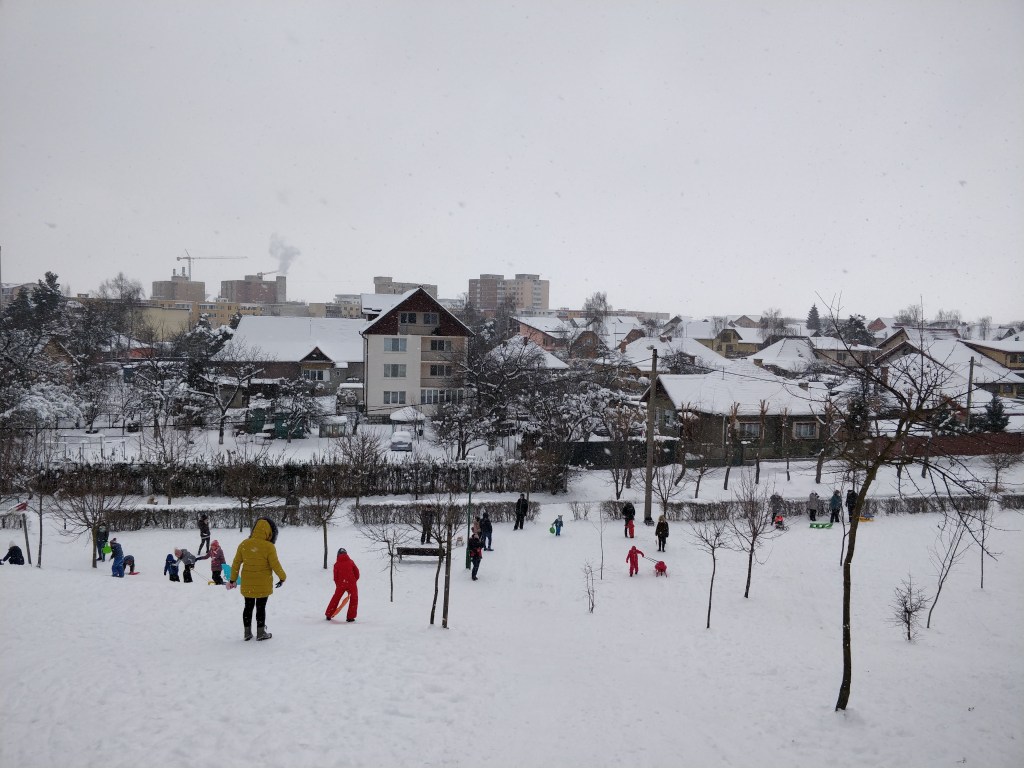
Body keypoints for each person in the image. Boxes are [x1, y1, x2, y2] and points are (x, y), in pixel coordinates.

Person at [228, 517, 286, 641]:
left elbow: (236, 563)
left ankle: (247, 633)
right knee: (261, 607)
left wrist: (232, 579)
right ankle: (260, 633)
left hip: (248, 583)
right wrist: (282, 577)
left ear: (254, 529)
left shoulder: (244, 544)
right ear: (269, 532)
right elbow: (275, 565)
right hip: (263, 584)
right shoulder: (269, 547)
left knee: (248, 607)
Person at [325, 547, 360, 622]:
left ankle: (328, 614)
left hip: (341, 584)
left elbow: (335, 577)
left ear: (338, 555)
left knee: (336, 598)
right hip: (351, 583)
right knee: (354, 598)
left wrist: (339, 585)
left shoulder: (336, 564)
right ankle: (350, 617)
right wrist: (353, 581)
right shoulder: (351, 562)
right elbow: (357, 573)